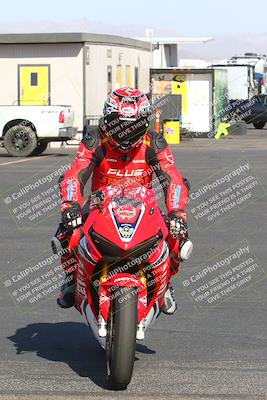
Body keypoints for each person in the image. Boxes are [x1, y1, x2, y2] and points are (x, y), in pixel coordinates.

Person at [52, 88, 192, 314]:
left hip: (144, 207)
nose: (126, 132)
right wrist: (71, 206)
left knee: (179, 236)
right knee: (66, 231)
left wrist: (178, 213)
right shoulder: (95, 140)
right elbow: (75, 174)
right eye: (121, 125)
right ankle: (71, 277)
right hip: (99, 205)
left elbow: (173, 178)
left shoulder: (154, 142)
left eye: (133, 125)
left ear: (144, 123)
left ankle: (165, 285)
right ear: (107, 120)